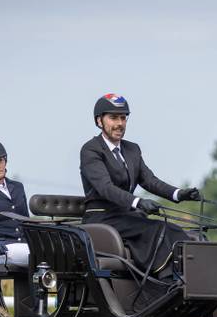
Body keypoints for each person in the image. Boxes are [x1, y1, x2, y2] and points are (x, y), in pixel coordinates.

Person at [80, 93, 202, 278]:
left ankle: (190, 276)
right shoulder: (91, 150)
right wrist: (137, 202)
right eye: (113, 118)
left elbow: (149, 181)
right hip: (101, 217)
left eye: (123, 118)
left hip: (126, 216)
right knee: (157, 229)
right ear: (99, 121)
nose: (120, 123)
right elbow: (105, 187)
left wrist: (179, 194)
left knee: (176, 230)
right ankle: (166, 279)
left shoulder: (132, 149)